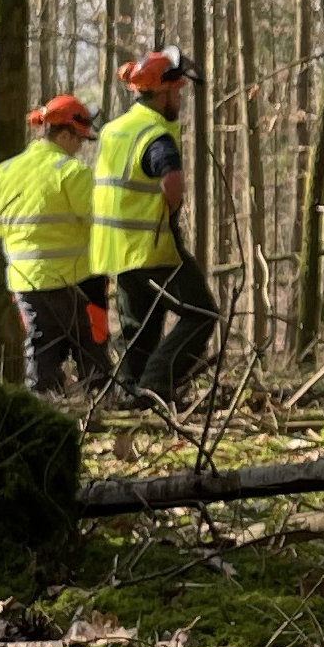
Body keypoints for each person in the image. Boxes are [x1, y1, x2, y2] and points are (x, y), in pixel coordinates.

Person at [90, 47, 220, 404]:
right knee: (201, 312)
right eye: (177, 92)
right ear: (161, 92)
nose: (179, 99)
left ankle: (130, 396)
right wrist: (168, 211)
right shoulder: (156, 134)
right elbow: (172, 185)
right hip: (153, 246)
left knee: (140, 328)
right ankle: (156, 384)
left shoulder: (114, 130)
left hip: (116, 249)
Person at [0, 95, 107, 393]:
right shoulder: (71, 172)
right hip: (70, 278)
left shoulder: (3, 173)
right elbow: (97, 220)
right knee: (89, 345)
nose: (79, 148)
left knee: (41, 345)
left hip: (23, 280)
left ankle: (42, 401)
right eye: (78, 140)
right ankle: (99, 399)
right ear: (64, 134)